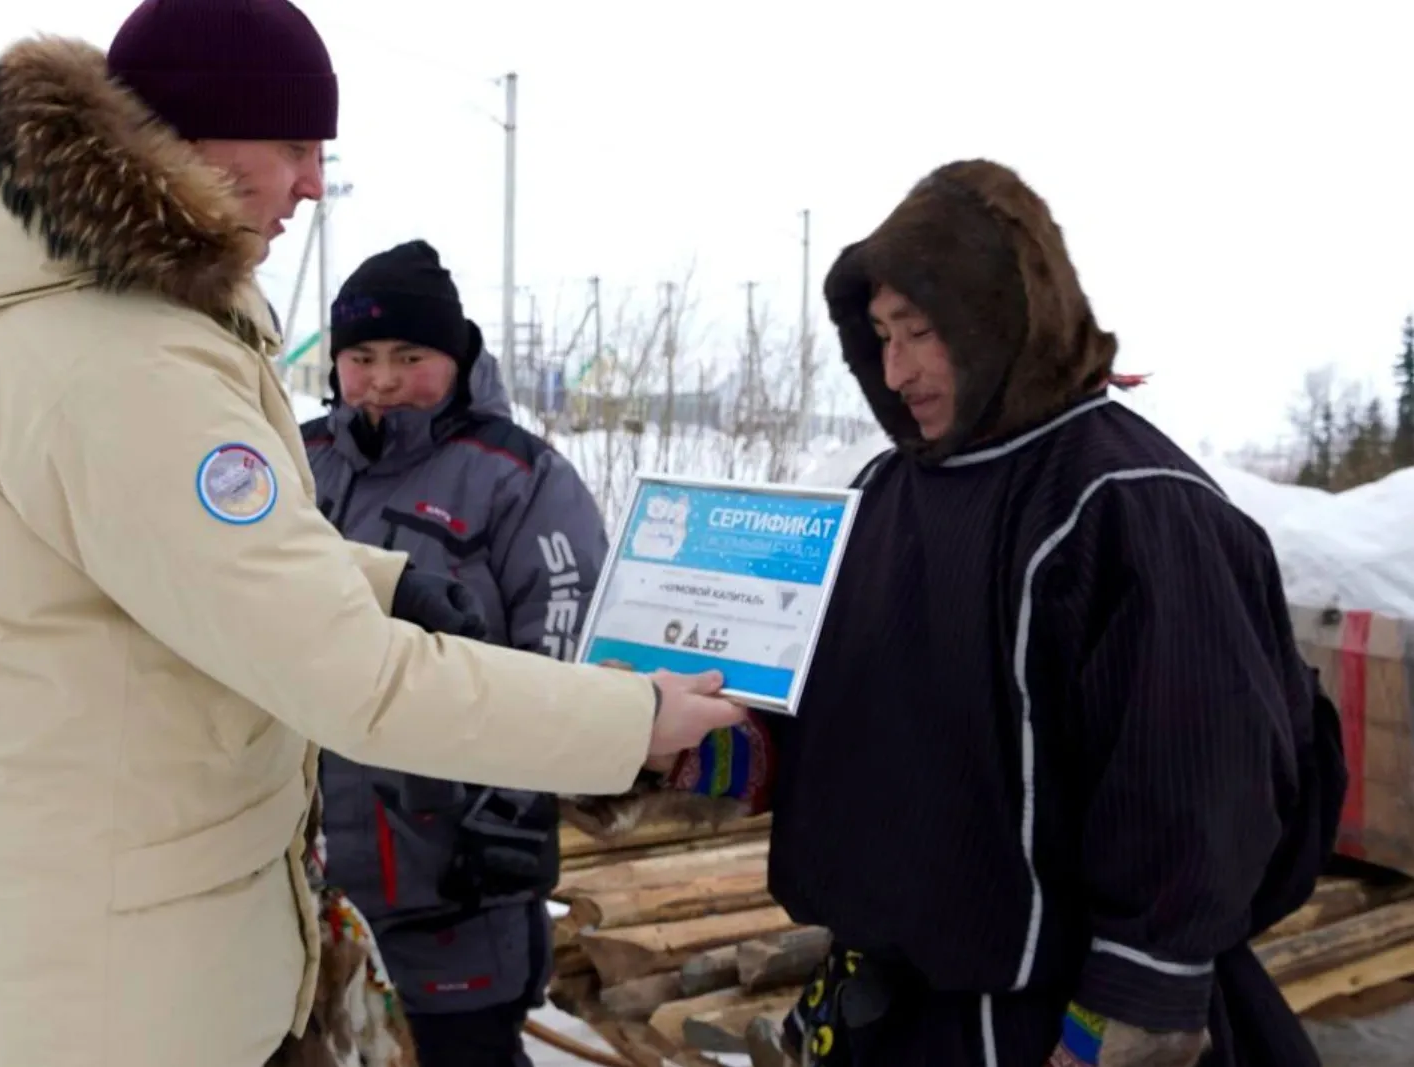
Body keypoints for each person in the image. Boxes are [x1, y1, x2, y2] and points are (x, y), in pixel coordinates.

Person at [0, 5, 742, 1067]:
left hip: (119, 939)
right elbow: (348, 677)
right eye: (293, 147)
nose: (310, 184)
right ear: (192, 140)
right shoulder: (125, 367)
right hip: (128, 994)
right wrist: (632, 720)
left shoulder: (91, 329)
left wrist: (377, 578)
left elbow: (152, 556)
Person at [572, 160, 1348, 1067]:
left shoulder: (1130, 505)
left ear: (1000, 317)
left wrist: (1121, 1023)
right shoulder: (884, 492)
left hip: (1039, 1024)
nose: (894, 369)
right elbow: (841, 730)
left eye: (920, 330)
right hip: (885, 1013)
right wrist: (686, 746)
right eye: (879, 335)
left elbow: (1197, 801)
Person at [299, 240, 598, 1067]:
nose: (383, 380)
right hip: (303, 889)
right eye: (361, 357)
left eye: (409, 356)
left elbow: (564, 656)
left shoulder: (517, 475)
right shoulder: (290, 462)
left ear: (456, 358)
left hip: (454, 887)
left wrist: (514, 808)